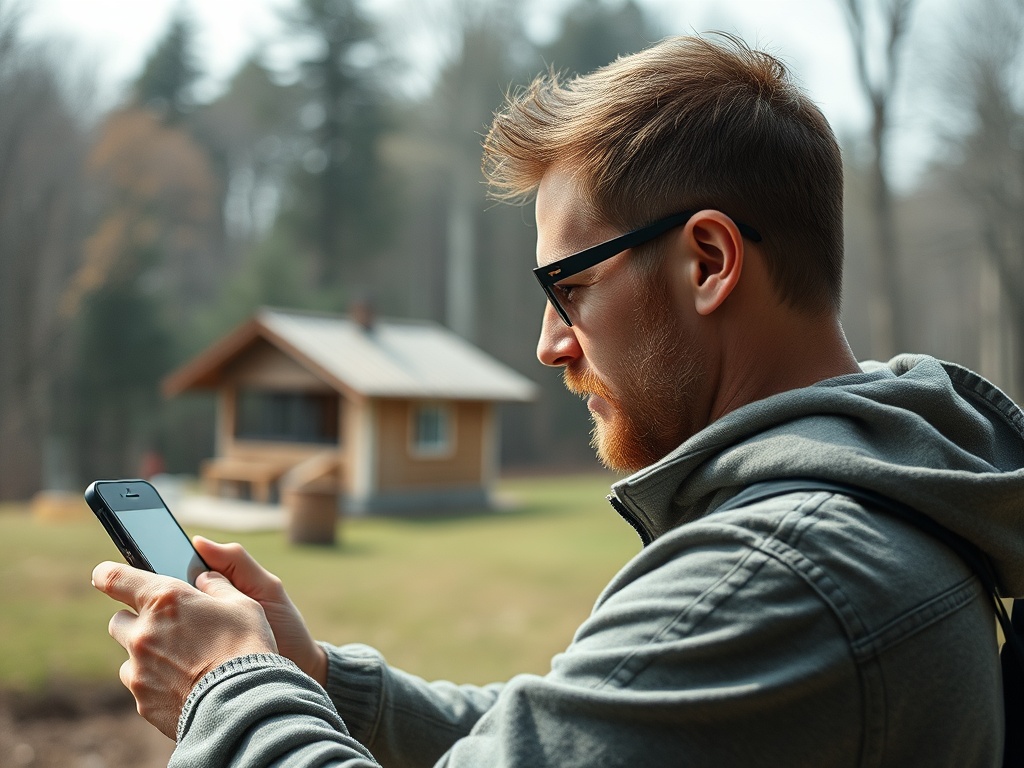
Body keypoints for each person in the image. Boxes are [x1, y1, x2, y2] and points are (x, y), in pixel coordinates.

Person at [92, 33, 1024, 766]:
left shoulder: (781, 575)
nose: (549, 345)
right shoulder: (882, 503)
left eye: (570, 287)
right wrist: (320, 680)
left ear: (708, 262)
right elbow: (578, 730)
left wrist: (227, 684)